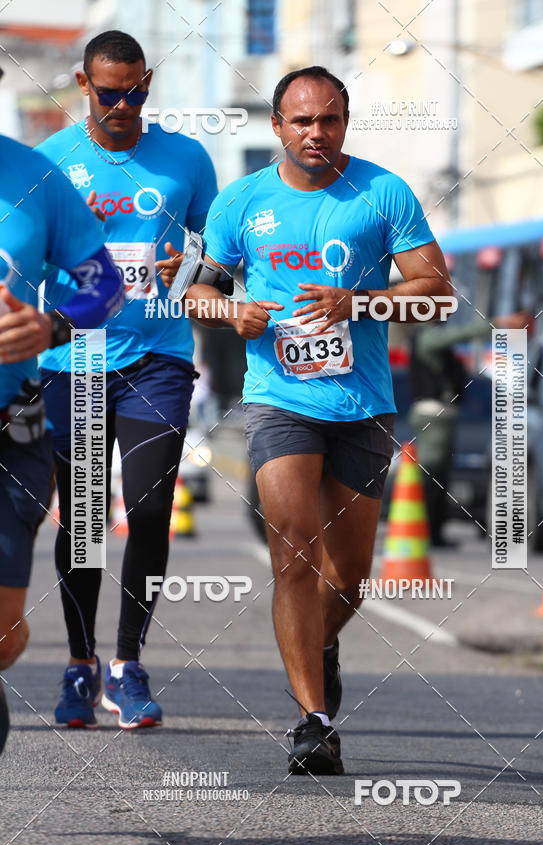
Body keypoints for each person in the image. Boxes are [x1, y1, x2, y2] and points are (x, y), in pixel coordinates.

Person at [169, 66, 454, 773]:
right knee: (293, 550)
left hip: (362, 404)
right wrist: (231, 309)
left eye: (328, 120)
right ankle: (313, 719)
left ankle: (320, 648)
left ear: (345, 122)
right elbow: (191, 294)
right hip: (278, 400)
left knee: (350, 576)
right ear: (277, 127)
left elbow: (437, 297)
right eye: (301, 121)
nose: (316, 133)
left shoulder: (383, 193)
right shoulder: (240, 203)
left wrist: (358, 300)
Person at [36, 31, 217, 730]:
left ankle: (128, 665)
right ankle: (80, 666)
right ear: (83, 84)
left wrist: (194, 272)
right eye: (108, 92)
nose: (122, 104)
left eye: (135, 90)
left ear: (149, 83)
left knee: (146, 510)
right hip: (72, 361)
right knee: (83, 521)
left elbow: (224, 255)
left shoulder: (186, 158)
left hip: (158, 356)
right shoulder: (50, 161)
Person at [0, 63, 124, 751]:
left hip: (12, 422)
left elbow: (104, 286)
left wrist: (52, 326)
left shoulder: (38, 179)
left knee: (2, 636)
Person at [409, 312, 531, 547]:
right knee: (432, 475)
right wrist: (498, 324)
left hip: (439, 415)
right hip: (433, 415)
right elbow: (460, 334)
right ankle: (429, 533)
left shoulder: (428, 336)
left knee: (439, 476)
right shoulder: (428, 336)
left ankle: (434, 531)